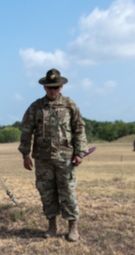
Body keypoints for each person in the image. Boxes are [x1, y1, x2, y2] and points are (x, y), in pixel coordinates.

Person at [18, 68, 87, 241]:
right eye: (50, 88)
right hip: (43, 159)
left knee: (67, 191)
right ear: (44, 88)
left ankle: (73, 227)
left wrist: (80, 152)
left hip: (65, 158)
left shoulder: (70, 105)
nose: (53, 91)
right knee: (46, 192)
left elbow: (79, 129)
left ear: (61, 87)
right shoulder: (36, 107)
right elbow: (26, 131)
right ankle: (52, 226)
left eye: (56, 87)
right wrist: (25, 154)